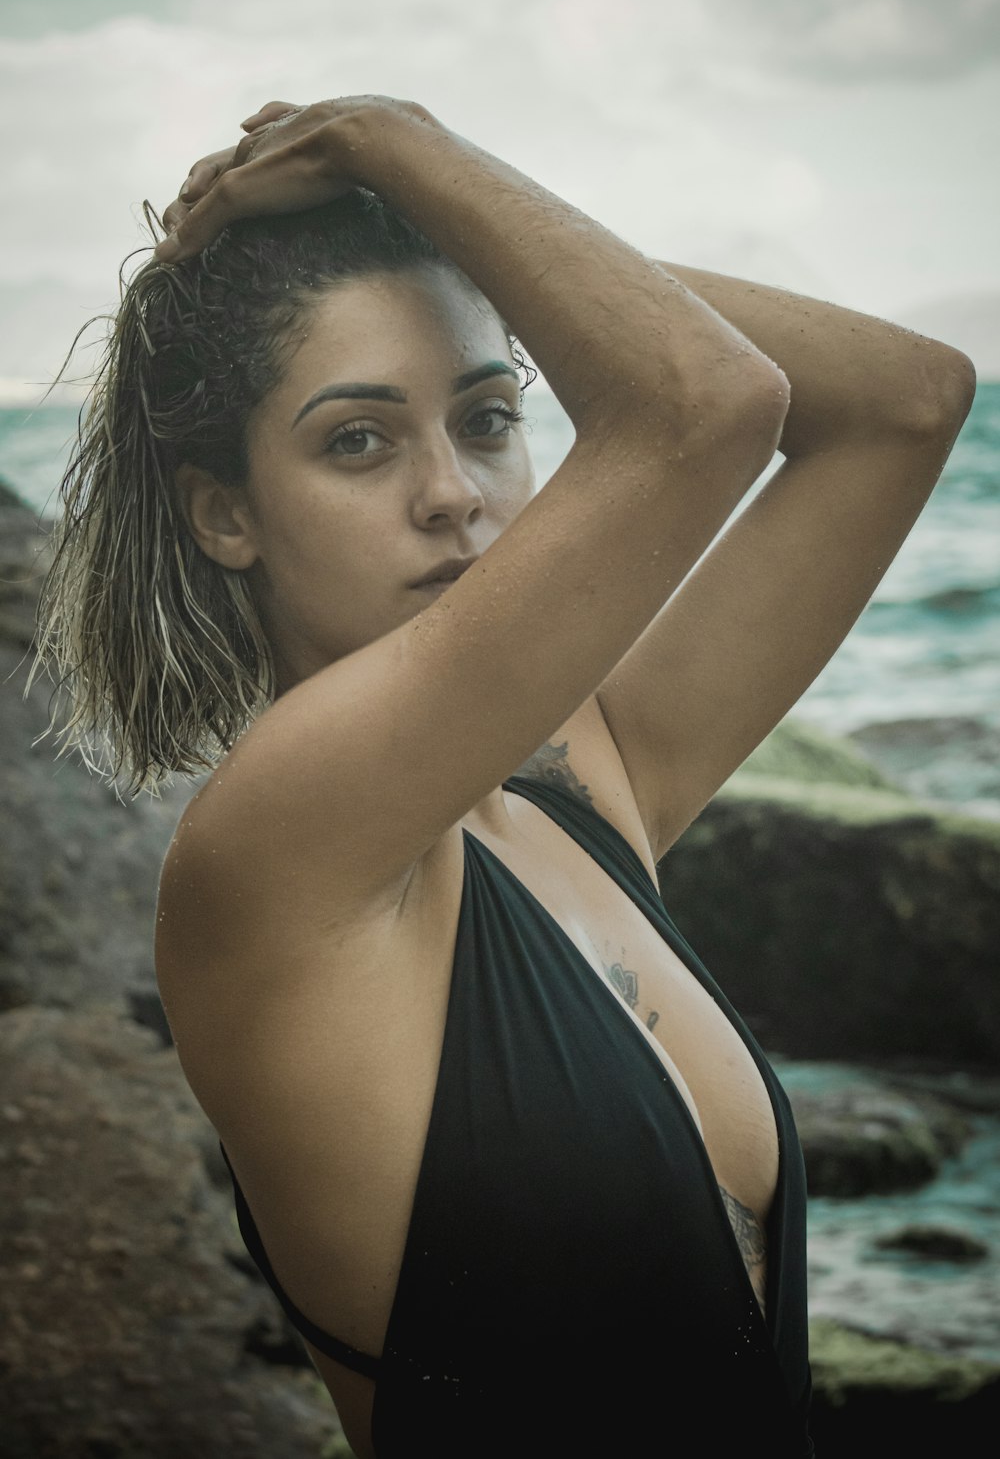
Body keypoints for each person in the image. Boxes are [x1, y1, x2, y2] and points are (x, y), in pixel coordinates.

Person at [37, 95, 975, 1458]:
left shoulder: (578, 777)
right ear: (224, 513)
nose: (454, 493)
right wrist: (385, 138)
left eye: (488, 418)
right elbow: (703, 403)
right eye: (359, 439)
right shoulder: (277, 844)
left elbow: (903, 404)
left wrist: (480, 258)